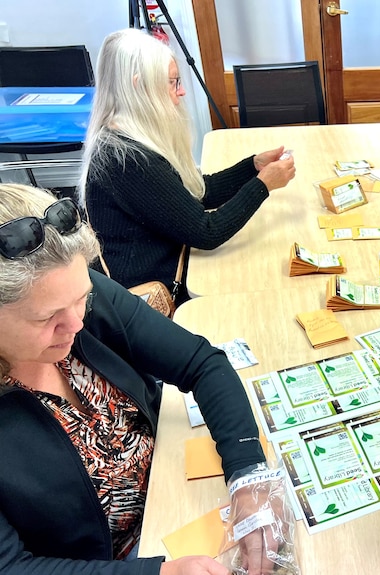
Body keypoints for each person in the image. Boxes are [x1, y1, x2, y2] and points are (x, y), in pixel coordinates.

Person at [0, 184, 283, 575]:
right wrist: (159, 573)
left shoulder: (68, 292)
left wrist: (248, 475)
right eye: (47, 319)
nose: (78, 323)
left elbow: (201, 363)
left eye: (81, 298)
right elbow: (12, 567)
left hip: (172, 493)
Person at [80, 29, 295, 303]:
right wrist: (263, 185)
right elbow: (206, 232)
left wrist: (253, 167)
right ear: (139, 86)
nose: (181, 91)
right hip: (151, 297)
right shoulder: (128, 159)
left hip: (173, 264)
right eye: (172, 83)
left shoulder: (130, 138)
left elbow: (195, 193)